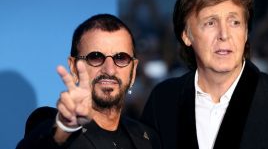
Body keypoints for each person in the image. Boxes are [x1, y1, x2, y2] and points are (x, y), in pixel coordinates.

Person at [141, 0, 268, 149]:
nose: (224, 35)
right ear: (186, 35)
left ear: (246, 32)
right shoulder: (163, 101)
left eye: (234, 22)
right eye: (210, 22)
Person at [16, 14, 161, 149]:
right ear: (74, 67)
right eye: (96, 57)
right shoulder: (55, 128)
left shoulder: (148, 137)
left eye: (121, 58)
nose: (109, 70)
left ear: (133, 70)